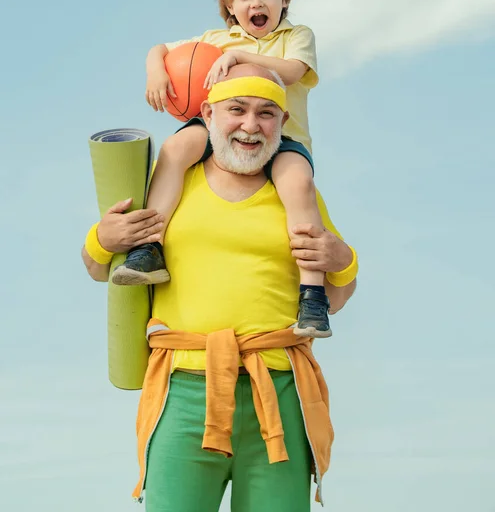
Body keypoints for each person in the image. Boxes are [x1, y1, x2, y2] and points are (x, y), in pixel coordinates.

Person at [82, 64, 358, 511]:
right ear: (207, 114)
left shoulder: (297, 192)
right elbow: (100, 269)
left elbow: (335, 299)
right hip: (183, 393)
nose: (251, 125)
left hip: (279, 392)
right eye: (237, 109)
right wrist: (102, 238)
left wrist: (344, 263)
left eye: (267, 113)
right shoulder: (167, 181)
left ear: (282, 124)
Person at [111, 0, 330, 337]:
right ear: (230, 6)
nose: (256, 3)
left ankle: (313, 294)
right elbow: (159, 48)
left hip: (278, 137)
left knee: (299, 183)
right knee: (175, 147)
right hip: (221, 133)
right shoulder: (216, 39)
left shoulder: (296, 35)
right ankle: (151, 246)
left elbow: (294, 71)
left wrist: (242, 59)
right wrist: (155, 71)